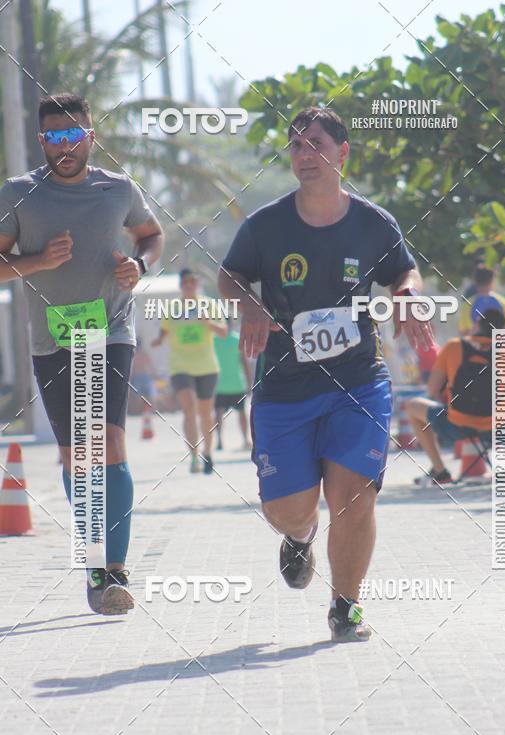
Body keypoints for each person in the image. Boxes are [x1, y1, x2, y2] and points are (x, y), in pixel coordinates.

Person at [218, 107, 432, 642]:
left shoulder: (372, 222)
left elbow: (404, 268)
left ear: (343, 152)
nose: (303, 154)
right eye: (295, 146)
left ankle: (347, 604)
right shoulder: (265, 226)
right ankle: (299, 536)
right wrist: (247, 303)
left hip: (358, 381)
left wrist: (407, 292)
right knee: (288, 510)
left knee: (355, 496)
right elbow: (229, 276)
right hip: (285, 387)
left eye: (315, 144)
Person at [0, 93, 164, 614]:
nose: (62, 146)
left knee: (109, 440)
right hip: (53, 339)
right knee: (77, 455)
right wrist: (36, 261)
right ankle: (96, 558)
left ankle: (110, 569)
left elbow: (151, 235)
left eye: (72, 136)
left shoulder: (118, 189)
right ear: (41, 139)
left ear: (90, 137)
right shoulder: (19, 193)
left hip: (109, 331)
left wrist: (140, 265)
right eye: (52, 137)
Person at [406, 308, 505, 484]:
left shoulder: (454, 346)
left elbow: (432, 390)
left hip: (456, 425)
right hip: (498, 429)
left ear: (477, 325)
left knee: (412, 405)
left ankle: (440, 470)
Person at [152, 269, 226, 473]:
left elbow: (223, 332)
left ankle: (208, 453)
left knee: (206, 413)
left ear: (198, 283)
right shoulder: (172, 307)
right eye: (185, 282)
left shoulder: (209, 304)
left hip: (207, 366)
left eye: (192, 281)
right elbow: (164, 330)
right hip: (180, 366)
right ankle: (194, 457)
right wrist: (158, 340)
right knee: (189, 408)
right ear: (181, 285)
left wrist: (208, 322)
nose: (189, 285)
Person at [214, 321, 253, 451]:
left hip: (220, 385)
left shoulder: (214, 340)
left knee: (219, 413)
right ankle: (246, 439)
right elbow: (244, 363)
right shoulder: (237, 339)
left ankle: (219, 440)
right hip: (237, 384)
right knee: (241, 413)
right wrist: (249, 383)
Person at [459, 265, 505, 335]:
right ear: (492, 281)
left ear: (475, 281)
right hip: (497, 344)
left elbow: (463, 331)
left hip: (475, 343)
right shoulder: (504, 303)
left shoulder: (468, 304)